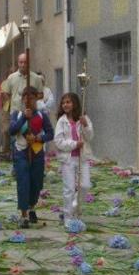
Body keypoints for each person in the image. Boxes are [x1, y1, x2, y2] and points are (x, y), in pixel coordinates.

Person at [9, 86, 54, 229]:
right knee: (23, 183)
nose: (29, 101)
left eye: (32, 98)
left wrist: (39, 138)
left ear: (36, 99)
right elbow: (12, 130)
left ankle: (31, 206)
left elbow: (50, 133)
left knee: (36, 183)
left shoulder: (42, 115)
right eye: (26, 98)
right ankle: (23, 215)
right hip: (21, 152)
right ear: (22, 99)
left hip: (37, 152)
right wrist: (24, 117)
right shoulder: (16, 114)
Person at [54, 92, 93, 225]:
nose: (65, 105)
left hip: (82, 158)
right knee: (69, 189)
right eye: (63, 103)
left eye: (68, 102)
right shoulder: (62, 121)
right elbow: (58, 141)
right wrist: (74, 144)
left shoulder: (83, 118)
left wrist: (85, 125)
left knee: (85, 185)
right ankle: (68, 217)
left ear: (75, 103)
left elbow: (90, 137)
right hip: (68, 159)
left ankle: (75, 207)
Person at [1, 54, 44, 156]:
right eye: (21, 62)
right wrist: (10, 100)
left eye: (25, 62)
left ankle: (34, 158)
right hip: (16, 113)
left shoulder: (36, 78)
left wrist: (31, 99)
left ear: (29, 63)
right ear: (18, 63)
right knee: (16, 139)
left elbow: (41, 94)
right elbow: (6, 93)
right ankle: (17, 160)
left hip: (31, 113)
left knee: (31, 139)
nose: (23, 65)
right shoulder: (11, 77)